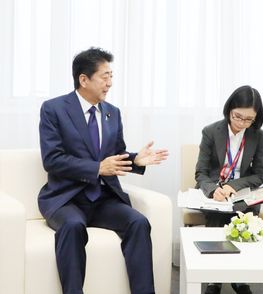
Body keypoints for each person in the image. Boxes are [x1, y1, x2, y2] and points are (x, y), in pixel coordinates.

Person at [38, 47, 169, 294]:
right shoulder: (53, 109)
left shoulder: (112, 112)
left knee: (139, 223)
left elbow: (115, 156)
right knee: (73, 227)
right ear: (83, 79)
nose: (110, 83)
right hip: (66, 198)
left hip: (102, 199)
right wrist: (97, 168)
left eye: (112, 76)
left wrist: (136, 160)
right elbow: (52, 159)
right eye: (104, 76)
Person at [195, 85, 263, 294]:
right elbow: (201, 173)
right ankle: (214, 279)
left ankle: (240, 278)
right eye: (238, 116)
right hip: (214, 194)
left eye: (248, 119)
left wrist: (232, 186)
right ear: (229, 110)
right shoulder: (211, 132)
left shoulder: (258, 136)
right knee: (217, 216)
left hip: (240, 192)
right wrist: (213, 190)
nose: (242, 123)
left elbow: (260, 174)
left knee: (245, 215)